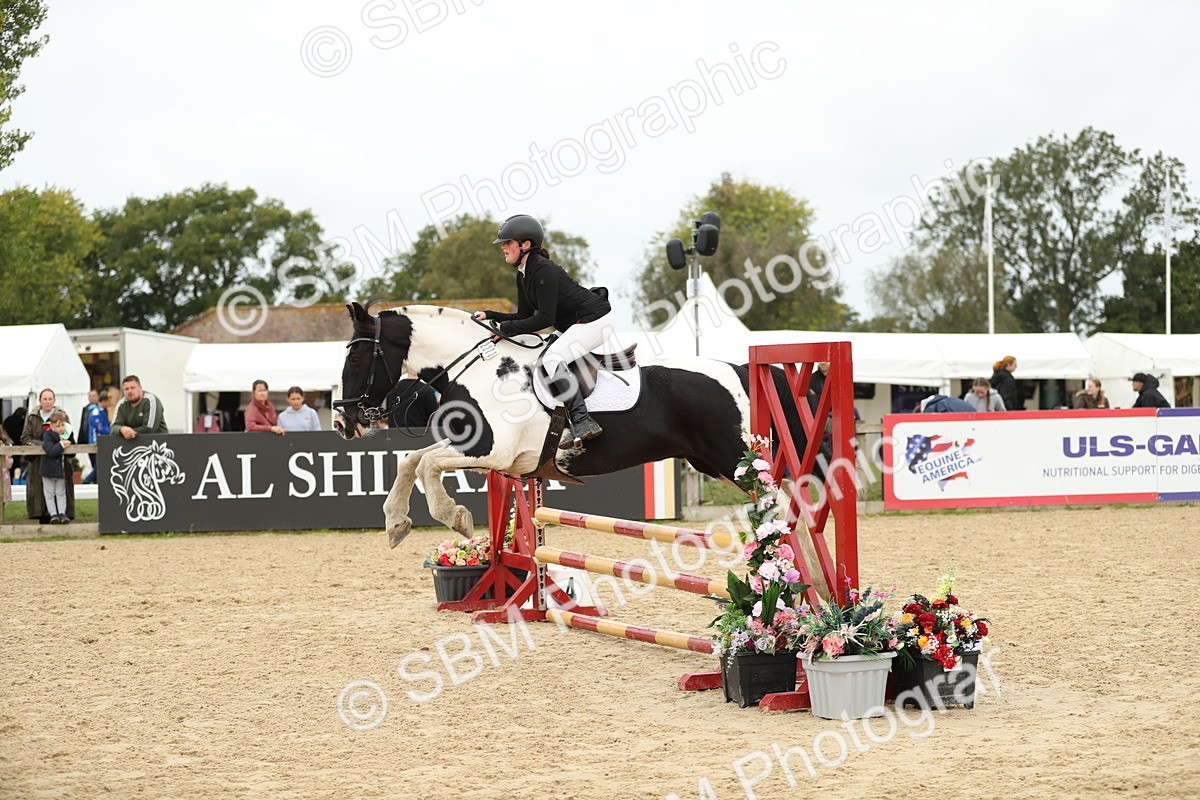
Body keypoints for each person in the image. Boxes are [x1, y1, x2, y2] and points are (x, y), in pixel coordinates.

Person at [473, 214, 614, 448]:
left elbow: (544, 319)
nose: (503, 248)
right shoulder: (523, 274)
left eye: (507, 243)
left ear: (525, 245)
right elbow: (524, 316)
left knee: (553, 359)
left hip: (597, 320)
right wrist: (491, 315)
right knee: (539, 359)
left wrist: (506, 329)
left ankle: (582, 421)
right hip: (575, 324)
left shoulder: (544, 270)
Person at [21, 388, 75, 523]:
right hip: (39, 461)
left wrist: (58, 445)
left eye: (50, 398)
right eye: (45, 399)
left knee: (61, 490)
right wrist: (44, 445)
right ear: (40, 401)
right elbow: (25, 437)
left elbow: (69, 435)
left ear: (54, 400)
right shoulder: (33, 417)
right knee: (44, 490)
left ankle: (62, 514)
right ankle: (46, 516)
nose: (47, 401)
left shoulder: (63, 416)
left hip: (59, 459)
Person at [40, 410, 73, 524]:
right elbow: (50, 451)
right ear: (52, 425)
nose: (61, 428)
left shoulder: (68, 434)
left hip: (61, 469)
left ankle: (62, 513)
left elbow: (73, 447)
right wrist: (61, 444)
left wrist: (67, 442)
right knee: (49, 493)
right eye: (58, 425)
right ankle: (53, 514)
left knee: (60, 492)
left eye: (63, 425)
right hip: (48, 469)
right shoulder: (47, 435)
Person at [81, 389, 111, 483]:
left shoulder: (103, 411)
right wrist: (112, 431)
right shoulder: (96, 412)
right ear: (104, 401)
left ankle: (92, 482)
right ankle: (86, 481)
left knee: (100, 465)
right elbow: (100, 428)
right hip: (96, 441)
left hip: (102, 441)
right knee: (98, 465)